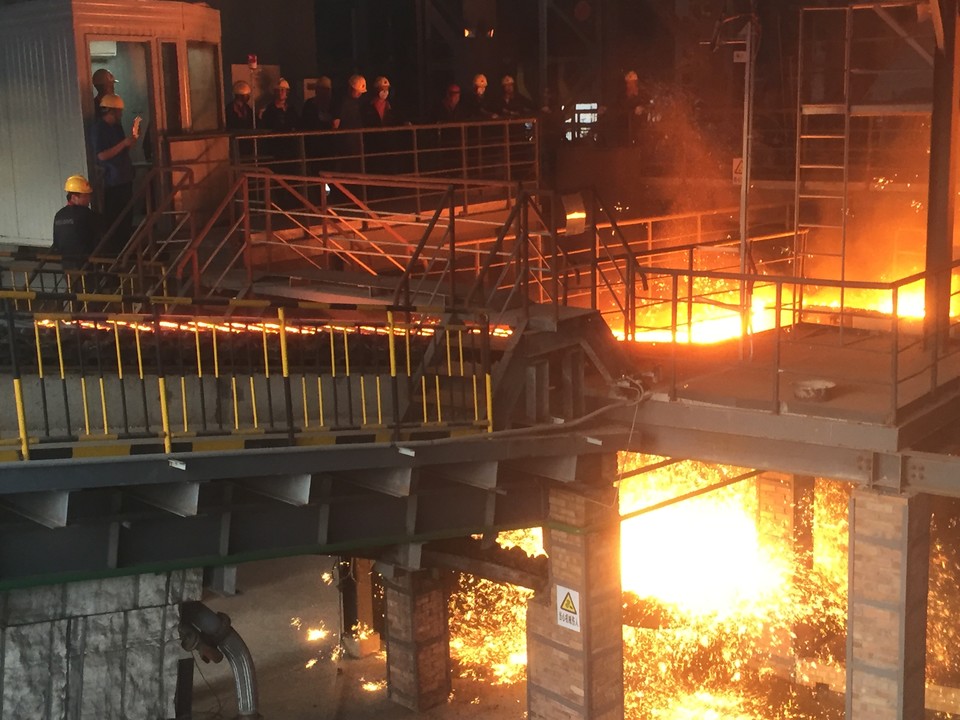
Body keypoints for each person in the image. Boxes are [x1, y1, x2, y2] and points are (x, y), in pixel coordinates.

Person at [91, 93, 139, 255]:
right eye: (119, 111)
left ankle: (125, 249)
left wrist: (129, 143)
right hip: (112, 181)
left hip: (124, 177)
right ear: (112, 111)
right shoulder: (99, 129)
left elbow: (122, 150)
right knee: (115, 218)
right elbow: (102, 155)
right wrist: (124, 143)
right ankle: (116, 251)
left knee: (126, 217)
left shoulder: (117, 127)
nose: (121, 114)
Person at [52, 175, 100, 269]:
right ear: (74, 197)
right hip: (86, 263)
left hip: (66, 263)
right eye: (85, 196)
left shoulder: (59, 214)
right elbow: (100, 233)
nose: (89, 200)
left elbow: (56, 242)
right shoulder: (86, 214)